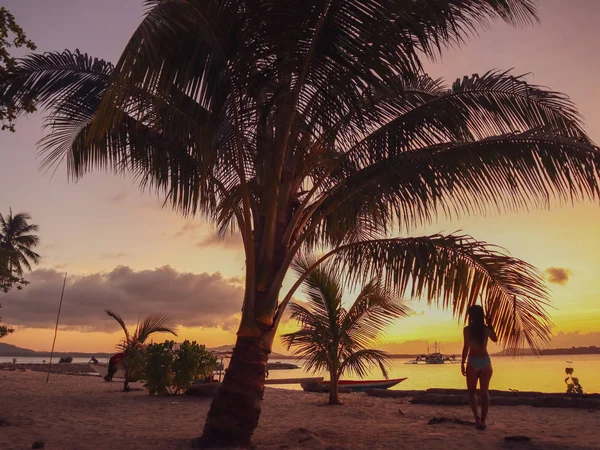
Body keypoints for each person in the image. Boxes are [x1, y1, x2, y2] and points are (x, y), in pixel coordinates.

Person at [461, 305, 498, 430]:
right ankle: (483, 420)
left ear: (471, 316)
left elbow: (466, 348)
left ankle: (477, 419)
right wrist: (490, 324)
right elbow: (495, 339)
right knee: (484, 393)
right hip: (485, 362)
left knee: (472, 392)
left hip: (472, 361)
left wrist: (462, 363)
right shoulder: (486, 329)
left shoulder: (467, 330)